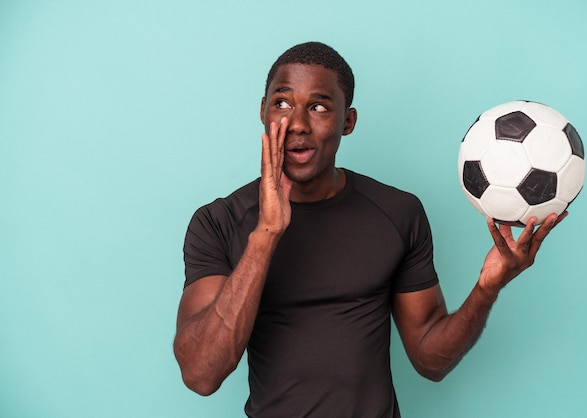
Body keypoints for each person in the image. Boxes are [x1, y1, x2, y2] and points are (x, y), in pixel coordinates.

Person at [173, 41, 566, 417]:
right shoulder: (218, 222)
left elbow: (431, 361)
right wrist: (266, 235)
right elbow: (201, 374)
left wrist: (486, 289)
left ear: (348, 121)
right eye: (282, 103)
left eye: (319, 107)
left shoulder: (397, 212)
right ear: (263, 112)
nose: (296, 123)